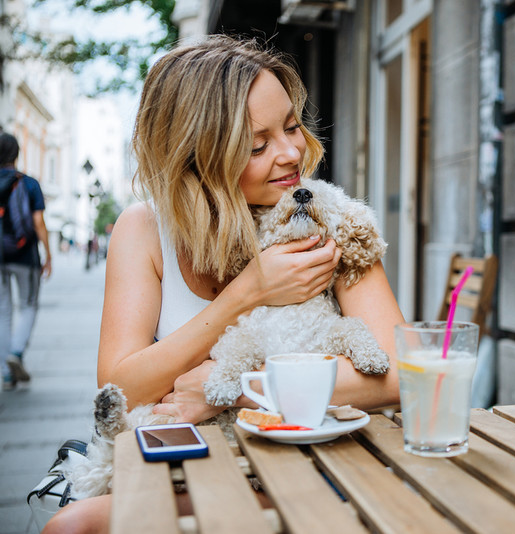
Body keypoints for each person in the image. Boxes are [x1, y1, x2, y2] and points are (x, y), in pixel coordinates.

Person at [41, 34, 404, 533]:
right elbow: (119, 385)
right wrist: (249, 292)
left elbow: (398, 375)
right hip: (196, 465)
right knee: (70, 526)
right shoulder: (146, 231)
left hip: (316, 466)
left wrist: (234, 392)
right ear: (198, 158)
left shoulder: (324, 215)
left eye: (292, 126)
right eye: (258, 145)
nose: (290, 152)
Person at [0, 131, 52, 391]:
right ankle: (16, 353)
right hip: (24, 256)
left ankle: (6, 373)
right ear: (17, 154)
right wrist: (48, 254)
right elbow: (38, 222)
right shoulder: (29, 183)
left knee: (3, 310)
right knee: (29, 305)